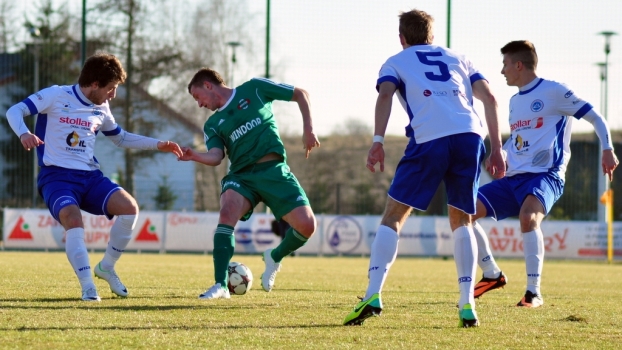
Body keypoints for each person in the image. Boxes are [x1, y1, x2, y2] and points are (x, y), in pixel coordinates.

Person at [342, 9, 505, 327]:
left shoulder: (395, 61)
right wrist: (497, 149)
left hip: (429, 137)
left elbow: (386, 94)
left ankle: (373, 294)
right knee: (463, 220)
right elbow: (491, 98)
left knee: (393, 215)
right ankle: (467, 303)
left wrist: (377, 141)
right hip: (470, 136)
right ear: (432, 36)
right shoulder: (460, 57)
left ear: (402, 38)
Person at [4, 53, 183, 302]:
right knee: (73, 218)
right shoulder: (56, 95)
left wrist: (158, 144)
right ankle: (88, 287)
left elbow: (119, 137)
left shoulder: (102, 107)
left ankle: (106, 267)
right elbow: (16, 110)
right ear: (95, 84)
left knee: (130, 208)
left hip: (90, 177)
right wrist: (24, 133)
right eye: (111, 88)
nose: (113, 95)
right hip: (56, 177)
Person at [470, 40, 619, 307]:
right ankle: (492, 274)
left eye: (505, 65)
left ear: (518, 65)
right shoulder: (515, 101)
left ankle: (533, 292)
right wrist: (500, 154)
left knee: (528, 217)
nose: (502, 71)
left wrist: (607, 148)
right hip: (513, 178)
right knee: (464, 212)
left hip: (546, 175)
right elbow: (518, 139)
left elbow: (596, 117)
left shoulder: (554, 91)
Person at [181, 68, 320, 299]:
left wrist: (308, 128)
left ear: (208, 85)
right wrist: (193, 155)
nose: (199, 104)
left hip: (274, 171)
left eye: (198, 97)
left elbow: (301, 94)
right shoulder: (213, 124)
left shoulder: (254, 88)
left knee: (307, 226)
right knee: (226, 213)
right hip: (242, 176)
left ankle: (274, 256)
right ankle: (220, 286)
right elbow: (216, 156)